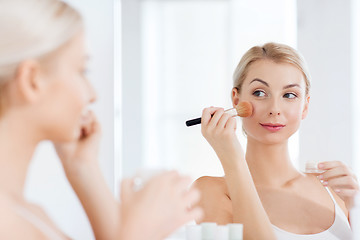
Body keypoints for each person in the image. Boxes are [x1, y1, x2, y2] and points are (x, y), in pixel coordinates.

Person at [0, 0, 202, 239]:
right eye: (81, 71)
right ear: (32, 81)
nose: (92, 94)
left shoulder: (29, 214)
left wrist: (82, 167)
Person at [192, 42, 358, 240]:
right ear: (236, 101)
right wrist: (231, 157)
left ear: (305, 106)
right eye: (260, 93)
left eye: (289, 95)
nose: (275, 108)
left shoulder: (333, 188)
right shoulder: (210, 191)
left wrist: (356, 204)